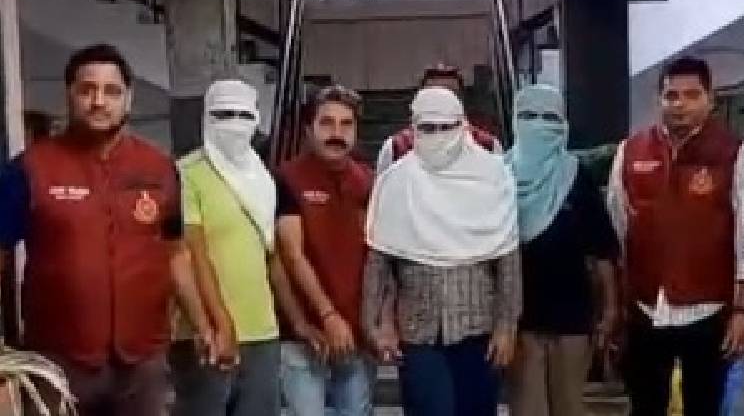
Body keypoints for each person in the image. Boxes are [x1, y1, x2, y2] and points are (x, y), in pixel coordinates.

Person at [0, 44, 214, 416]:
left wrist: (202, 324)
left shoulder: (160, 168)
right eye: (87, 90)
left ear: (128, 99)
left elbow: (175, 252)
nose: (99, 101)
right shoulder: (30, 169)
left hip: (143, 361)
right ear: (69, 94)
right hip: (57, 360)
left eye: (112, 91)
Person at [362, 86, 521, 416]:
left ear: (463, 125)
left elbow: (508, 260)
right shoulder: (395, 182)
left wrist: (507, 327)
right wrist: (375, 324)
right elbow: (379, 260)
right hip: (417, 329)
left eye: (446, 127)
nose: (437, 136)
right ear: (414, 128)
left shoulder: (492, 176)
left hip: (478, 327)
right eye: (427, 128)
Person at [607, 56, 744, 415]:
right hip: (645, 309)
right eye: (671, 95)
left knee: (704, 407)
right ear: (659, 99)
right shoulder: (630, 151)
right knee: (645, 407)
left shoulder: (734, 154)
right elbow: (618, 231)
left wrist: (742, 311)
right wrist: (618, 304)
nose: (680, 104)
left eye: (691, 95)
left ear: (710, 99)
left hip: (709, 311)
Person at [170, 80, 284, 415]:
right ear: (207, 117)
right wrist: (220, 323)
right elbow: (193, 252)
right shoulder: (185, 174)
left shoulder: (262, 178)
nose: (234, 124)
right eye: (224, 114)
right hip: (206, 333)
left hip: (262, 331)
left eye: (243, 115)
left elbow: (270, 254)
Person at [507, 84, 618, 416]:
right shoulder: (499, 175)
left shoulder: (577, 176)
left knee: (569, 406)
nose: (539, 126)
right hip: (519, 321)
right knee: (528, 408)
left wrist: (610, 311)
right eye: (529, 116)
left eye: (550, 118)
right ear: (515, 120)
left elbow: (602, 250)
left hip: (572, 317)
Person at [275, 85, 376, 416]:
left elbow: (379, 256)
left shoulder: (368, 181)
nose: (337, 133)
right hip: (305, 333)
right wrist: (325, 317)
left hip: (357, 334)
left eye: (346, 124)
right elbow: (291, 255)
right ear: (309, 129)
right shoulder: (287, 178)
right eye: (327, 123)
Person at [374, 63, 502, 174]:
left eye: (449, 93)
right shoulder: (396, 148)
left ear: (461, 100)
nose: (440, 101)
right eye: (433, 94)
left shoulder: (487, 146)